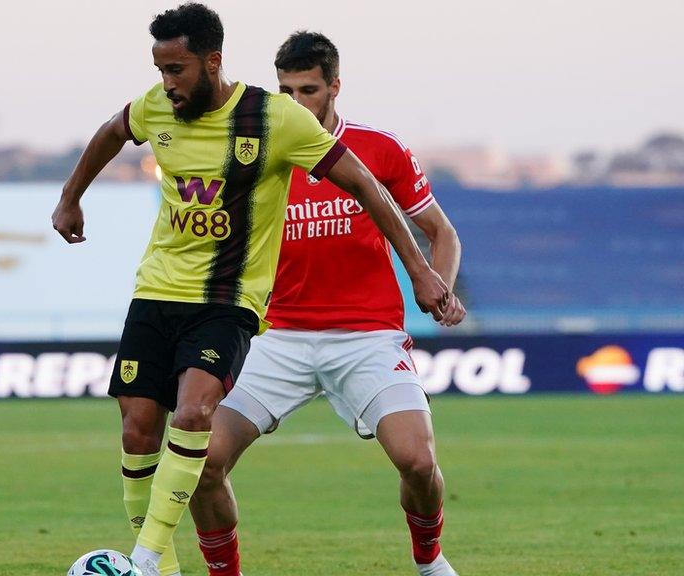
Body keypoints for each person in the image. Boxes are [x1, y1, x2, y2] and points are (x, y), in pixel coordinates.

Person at [51, 5, 451, 576]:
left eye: (177, 69)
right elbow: (114, 131)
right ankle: (171, 566)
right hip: (262, 329)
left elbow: (371, 188)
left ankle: (430, 562)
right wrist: (70, 198)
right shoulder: (158, 107)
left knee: (415, 459)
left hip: (336, 328)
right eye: (160, 69)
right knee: (183, 451)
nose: (167, 82)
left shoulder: (281, 123)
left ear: (212, 62)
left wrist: (421, 272)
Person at [188, 32, 466, 576]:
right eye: (285, 91)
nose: (296, 103)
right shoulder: (255, 152)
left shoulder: (379, 148)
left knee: (418, 460)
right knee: (202, 462)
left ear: (335, 86)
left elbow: (442, 233)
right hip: (275, 339)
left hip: (366, 338)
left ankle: (430, 563)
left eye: (308, 90)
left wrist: (439, 288)